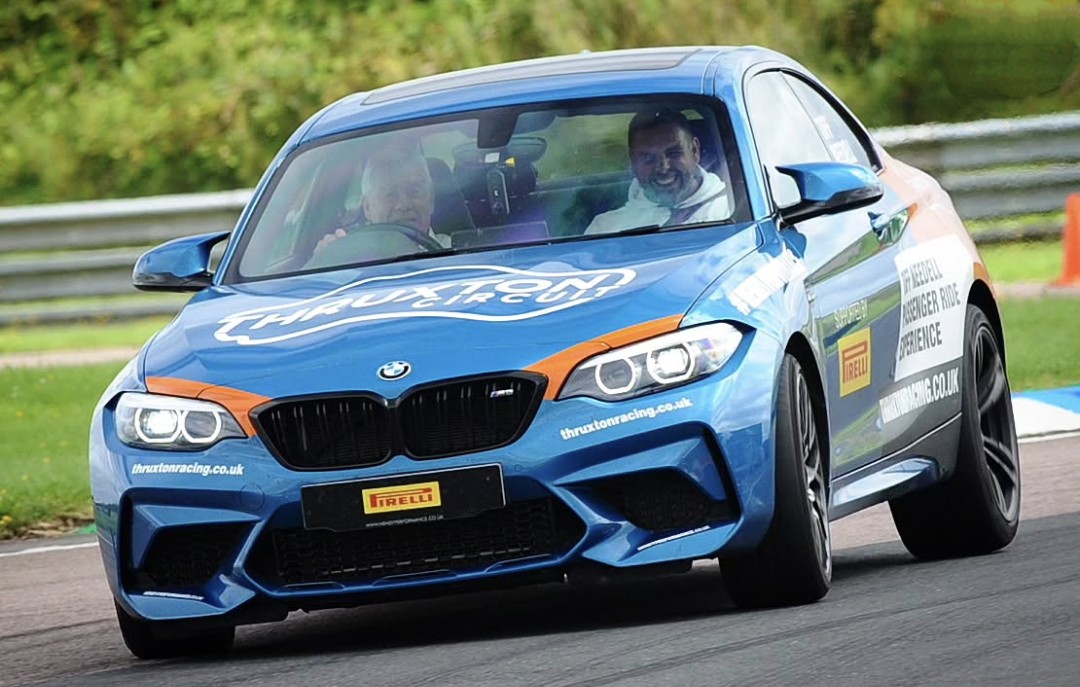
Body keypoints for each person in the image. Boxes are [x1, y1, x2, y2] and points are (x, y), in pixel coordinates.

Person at [585, 108, 732, 235]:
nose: (663, 167)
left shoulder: (732, 212)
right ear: (632, 161)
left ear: (694, 151)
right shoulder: (605, 228)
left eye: (674, 153)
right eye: (648, 158)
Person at [312, 142, 450, 257]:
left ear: (431, 200)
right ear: (367, 207)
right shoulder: (347, 258)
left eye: (414, 192)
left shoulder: (458, 253)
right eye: (390, 195)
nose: (403, 205)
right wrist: (324, 258)